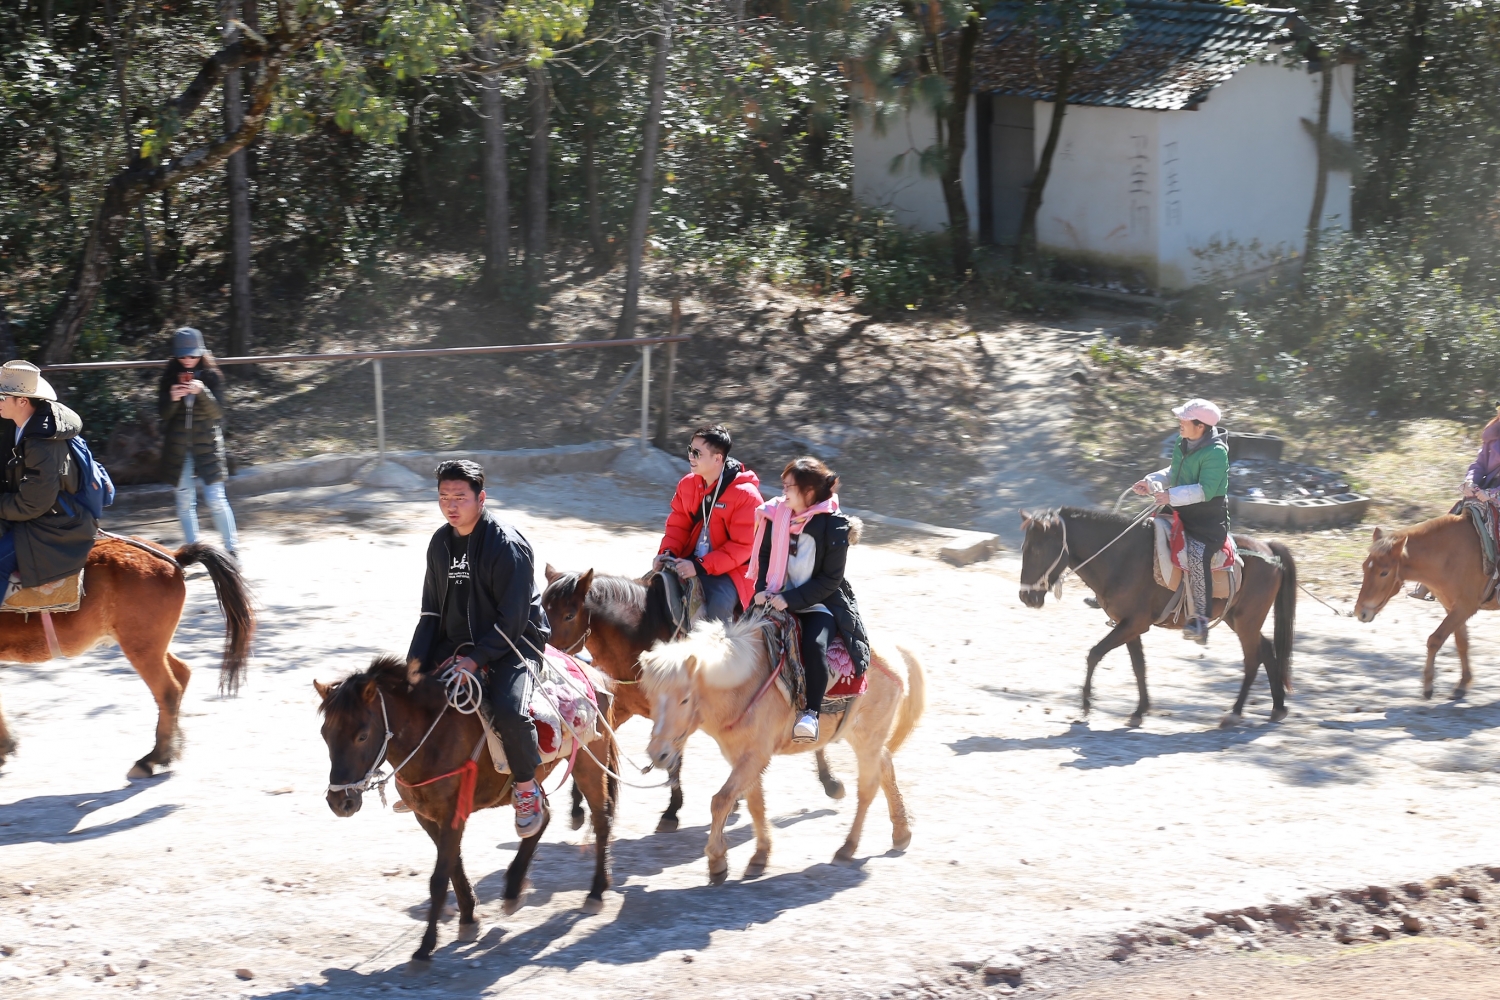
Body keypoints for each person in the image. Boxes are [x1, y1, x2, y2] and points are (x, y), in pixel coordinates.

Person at [407, 460, 553, 837]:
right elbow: (430, 613)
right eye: (443, 498)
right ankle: (420, 781)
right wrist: (414, 668)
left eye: (460, 497)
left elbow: (513, 620)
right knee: (411, 699)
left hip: (515, 643)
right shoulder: (440, 543)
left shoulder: (507, 544)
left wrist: (475, 660)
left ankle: (526, 789)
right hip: (456, 641)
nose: (451, 506)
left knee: (507, 710)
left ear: (481, 498)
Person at [750, 456, 872, 744]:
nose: (784, 492)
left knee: (814, 646)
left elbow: (830, 580)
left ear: (808, 492)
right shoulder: (775, 515)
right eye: (784, 486)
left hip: (819, 603)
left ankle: (810, 714)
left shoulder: (835, 526)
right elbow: (765, 555)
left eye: (790, 487)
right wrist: (761, 588)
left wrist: (789, 599)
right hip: (774, 595)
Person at [1133, 398, 1230, 644]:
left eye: (1184, 420)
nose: (1179, 423)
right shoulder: (1182, 442)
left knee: (1197, 556)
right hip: (1177, 510)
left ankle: (1199, 619)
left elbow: (1205, 490)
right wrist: (1152, 481)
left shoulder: (1217, 454)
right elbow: (1173, 472)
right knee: (1139, 532)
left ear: (1200, 426)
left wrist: (1170, 495)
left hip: (1206, 521)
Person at [0, 361, 98, 589]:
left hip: (54, 524)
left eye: (2, 397)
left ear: (22, 401)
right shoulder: (18, 425)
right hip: (36, 513)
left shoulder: (42, 443)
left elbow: (33, 504)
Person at [655, 424, 761, 622]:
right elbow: (678, 526)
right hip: (689, 561)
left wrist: (701, 566)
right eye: (690, 450)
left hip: (732, 571)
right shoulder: (687, 483)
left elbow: (743, 546)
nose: (690, 457)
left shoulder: (746, 495)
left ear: (717, 458)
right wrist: (667, 553)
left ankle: (721, 652)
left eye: (697, 453)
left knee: (717, 609)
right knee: (650, 591)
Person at [159, 327, 238, 559]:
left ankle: (232, 549)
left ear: (201, 353)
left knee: (216, 499)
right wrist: (173, 399)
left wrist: (202, 393)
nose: (187, 360)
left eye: (192, 355)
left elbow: (218, 412)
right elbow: (163, 414)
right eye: (183, 356)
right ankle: (193, 552)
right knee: (184, 501)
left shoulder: (212, 376)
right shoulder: (169, 377)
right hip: (178, 447)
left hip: (208, 446)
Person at [1462, 406, 1500, 504]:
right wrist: (1470, 481)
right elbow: (1480, 463)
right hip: (1486, 490)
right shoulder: (1492, 438)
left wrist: (1493, 493)